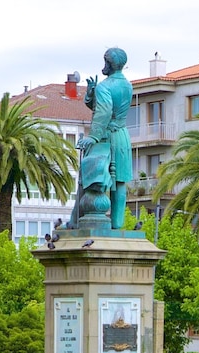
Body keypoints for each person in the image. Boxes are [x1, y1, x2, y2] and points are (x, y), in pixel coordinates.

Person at [70, 46, 133, 230]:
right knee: (120, 181)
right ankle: (117, 223)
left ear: (110, 64)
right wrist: (91, 94)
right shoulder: (128, 85)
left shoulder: (105, 86)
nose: (103, 66)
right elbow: (109, 109)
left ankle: (79, 221)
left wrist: (94, 137)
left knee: (95, 178)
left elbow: (104, 113)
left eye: (106, 62)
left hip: (105, 138)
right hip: (122, 137)